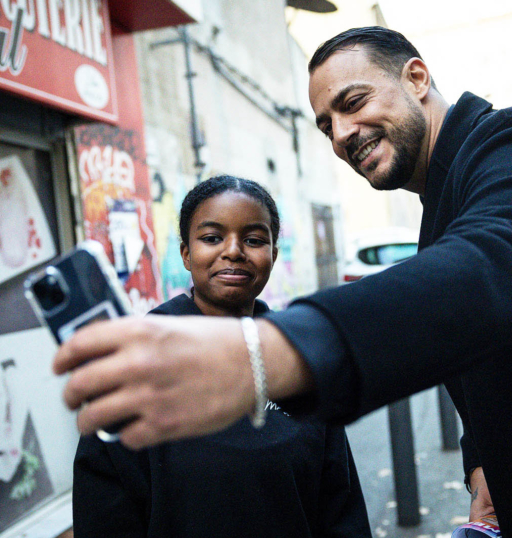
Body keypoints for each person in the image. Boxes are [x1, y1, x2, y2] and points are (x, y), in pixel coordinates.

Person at [54, 27, 512, 537]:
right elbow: (482, 339)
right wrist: (482, 458)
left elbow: (495, 272)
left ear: (416, 77)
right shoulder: (445, 213)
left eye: (353, 102)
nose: (342, 133)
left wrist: (262, 354)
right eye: (325, 125)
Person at [70, 175, 371, 538]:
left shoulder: (299, 356)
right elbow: (103, 509)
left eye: (254, 240)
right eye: (212, 238)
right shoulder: (140, 360)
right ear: (186, 253)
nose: (233, 251)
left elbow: (339, 501)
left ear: (273, 255)